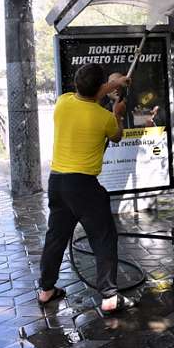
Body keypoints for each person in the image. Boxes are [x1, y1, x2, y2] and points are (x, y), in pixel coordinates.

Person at [37, 64, 136, 315]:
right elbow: (116, 136)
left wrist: (116, 83)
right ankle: (110, 297)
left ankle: (46, 289)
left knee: (55, 237)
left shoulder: (63, 102)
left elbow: (93, 92)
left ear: (77, 85)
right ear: (101, 87)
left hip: (57, 183)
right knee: (103, 237)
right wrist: (117, 113)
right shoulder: (104, 118)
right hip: (83, 186)